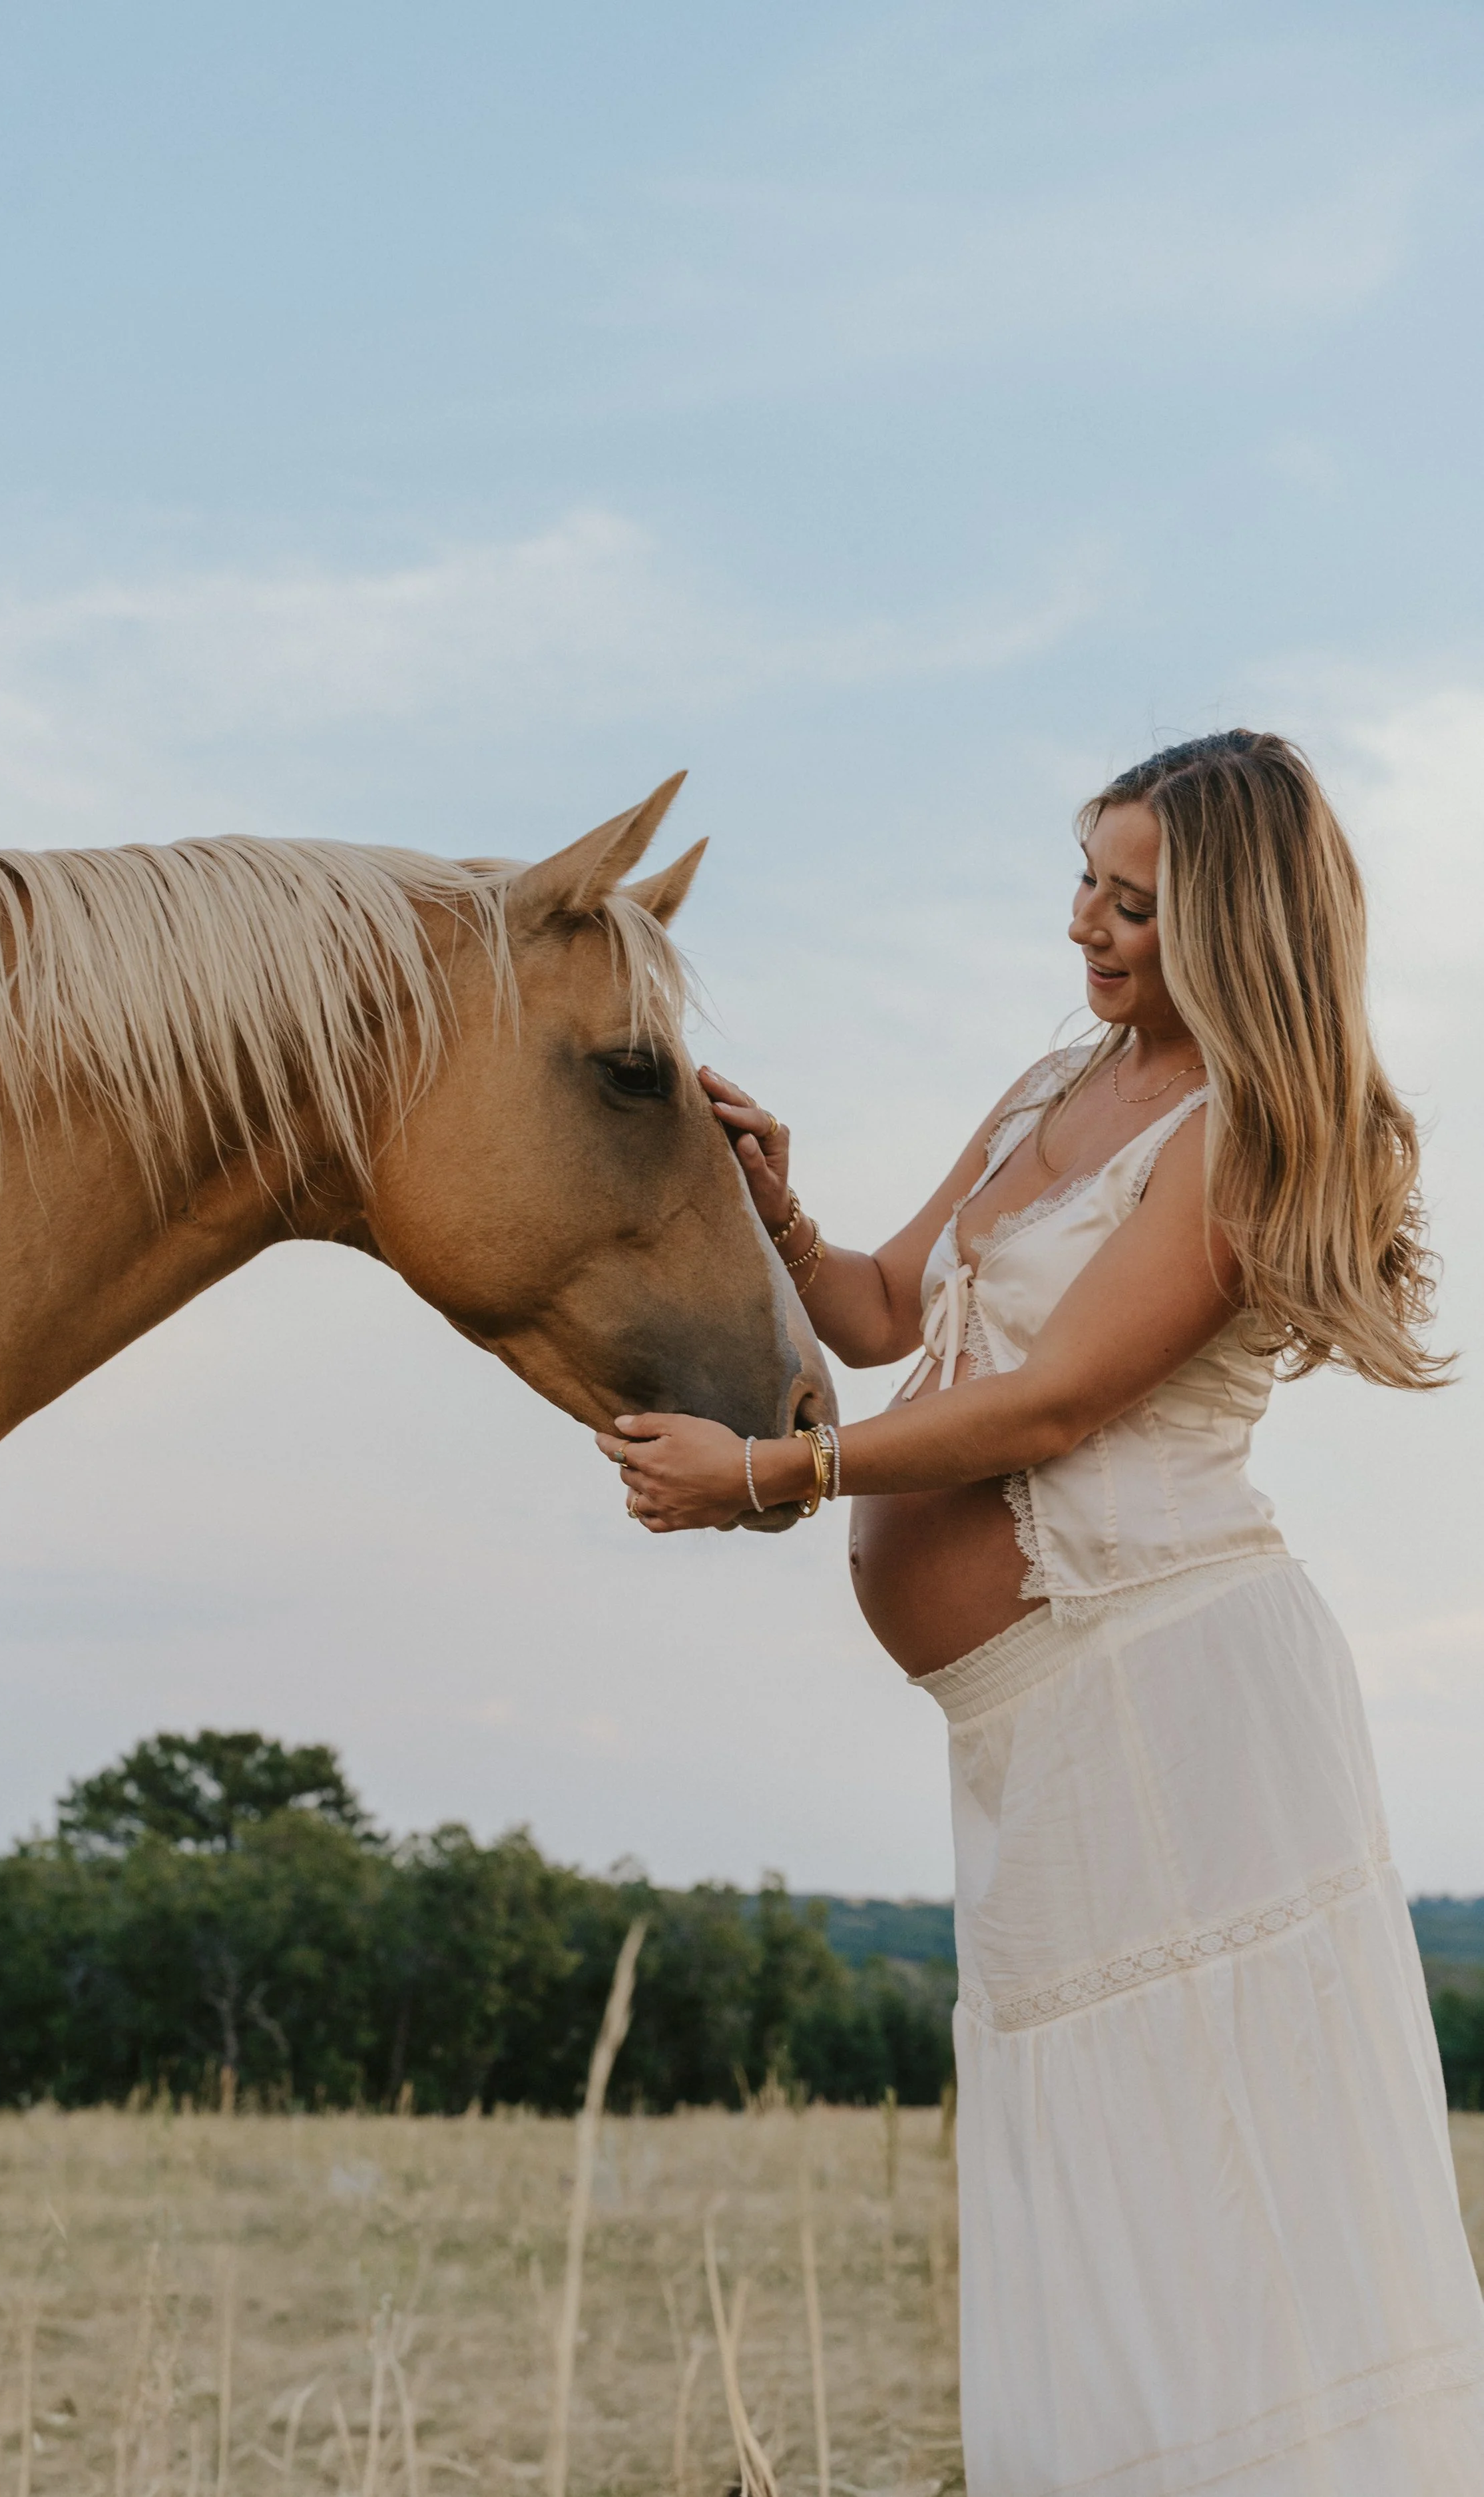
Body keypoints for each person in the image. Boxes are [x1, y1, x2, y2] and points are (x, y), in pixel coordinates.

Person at [599, 731, 1484, 2493]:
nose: (1083, 922)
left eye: (1132, 901)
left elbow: (1054, 1401)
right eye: (1082, 875)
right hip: (1032, 1723)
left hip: (1167, 1696)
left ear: (1232, 921)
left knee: (1202, 2174)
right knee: (1092, 2161)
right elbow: (871, 1310)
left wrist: (769, 1478)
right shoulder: (1040, 1089)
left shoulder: (1238, 1128)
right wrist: (777, 1206)